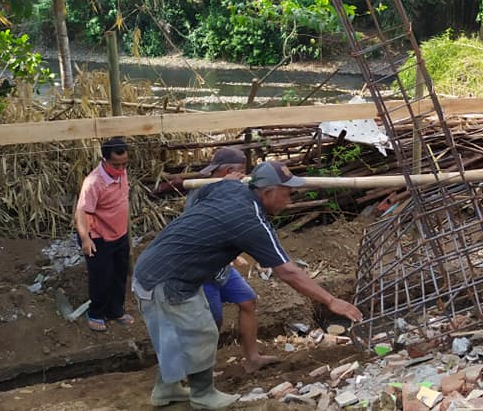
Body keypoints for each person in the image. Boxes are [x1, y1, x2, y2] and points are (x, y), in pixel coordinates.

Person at [133, 161, 363, 409]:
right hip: (166, 279)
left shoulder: (232, 189)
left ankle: (166, 390)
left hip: (165, 268)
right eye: (286, 193)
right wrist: (330, 300)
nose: (289, 200)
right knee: (201, 333)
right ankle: (203, 394)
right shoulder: (250, 221)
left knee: (180, 334)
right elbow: (287, 271)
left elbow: (206, 191)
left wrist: (204, 226)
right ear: (267, 192)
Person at [188, 147, 279, 373]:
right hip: (202, 268)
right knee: (213, 320)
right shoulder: (201, 193)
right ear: (230, 170)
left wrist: (234, 254)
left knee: (247, 300)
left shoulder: (228, 192)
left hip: (221, 267)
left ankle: (253, 358)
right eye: (242, 172)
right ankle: (198, 371)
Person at [75, 137, 134, 332]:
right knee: (101, 277)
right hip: (98, 237)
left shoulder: (122, 173)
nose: (121, 168)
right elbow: (82, 212)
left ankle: (116, 311)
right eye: (116, 165)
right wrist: (85, 239)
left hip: (119, 234)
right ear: (104, 160)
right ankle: (96, 313)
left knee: (119, 274)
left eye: (124, 164)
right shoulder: (93, 183)